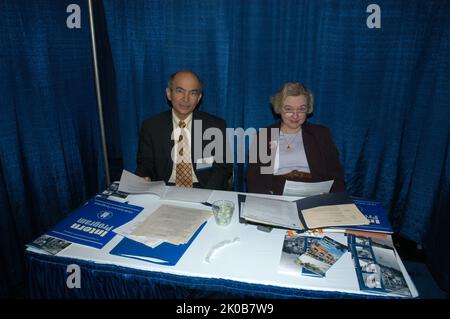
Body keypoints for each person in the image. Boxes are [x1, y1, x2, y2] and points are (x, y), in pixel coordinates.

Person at [136, 70, 232, 190]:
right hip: (165, 189)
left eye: (192, 93)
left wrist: (205, 195)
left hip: (204, 188)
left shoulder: (215, 126)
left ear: (199, 98)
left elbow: (223, 168)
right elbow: (146, 163)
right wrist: (145, 177)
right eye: (180, 91)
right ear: (169, 93)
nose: (186, 99)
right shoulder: (151, 126)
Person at [247, 82, 346, 195]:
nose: (295, 115)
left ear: (308, 109)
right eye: (289, 109)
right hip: (276, 195)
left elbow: (336, 174)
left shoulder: (321, 134)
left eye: (301, 109)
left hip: (315, 195)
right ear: (279, 108)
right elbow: (254, 179)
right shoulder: (264, 136)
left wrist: (332, 198)